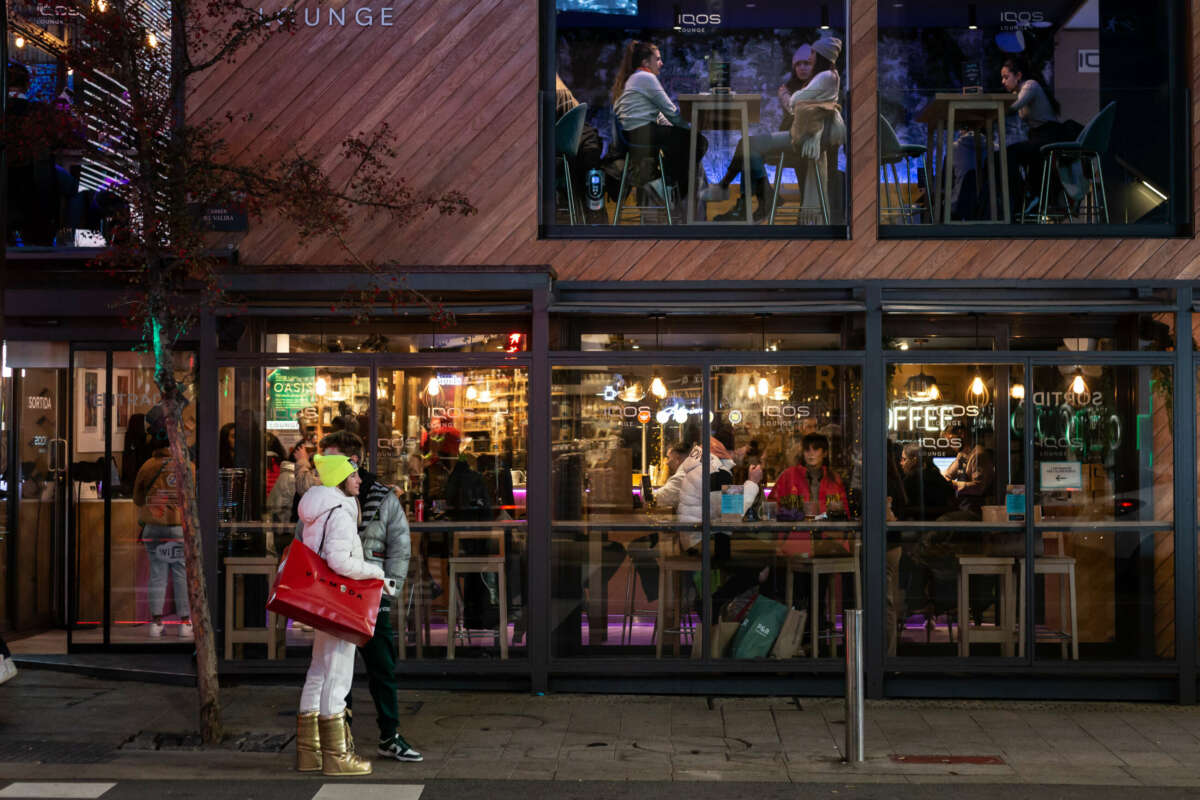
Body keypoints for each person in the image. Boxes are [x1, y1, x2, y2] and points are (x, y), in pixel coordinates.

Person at [295, 430, 422, 763]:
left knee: (379, 665)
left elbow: (400, 545)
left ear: (354, 462)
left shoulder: (380, 497)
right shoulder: (326, 500)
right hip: (337, 595)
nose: (323, 466)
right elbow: (311, 548)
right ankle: (338, 743)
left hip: (370, 596)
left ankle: (388, 734)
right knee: (336, 671)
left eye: (333, 459)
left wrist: (388, 586)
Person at [296, 453, 385, 776]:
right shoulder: (341, 513)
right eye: (353, 476)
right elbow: (339, 561)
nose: (359, 480)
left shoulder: (317, 510)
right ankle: (337, 757)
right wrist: (375, 572)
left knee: (318, 669)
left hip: (320, 599)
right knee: (337, 673)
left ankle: (310, 752)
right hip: (338, 600)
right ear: (339, 481)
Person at [700, 37, 845, 222]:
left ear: (820, 58)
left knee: (748, 147)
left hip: (804, 142)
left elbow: (793, 105)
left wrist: (790, 97)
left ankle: (748, 198)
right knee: (748, 150)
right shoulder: (812, 82)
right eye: (798, 64)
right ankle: (751, 200)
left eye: (808, 62)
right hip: (798, 137)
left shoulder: (822, 79)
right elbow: (794, 108)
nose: (803, 67)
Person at [611, 39, 707, 212]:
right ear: (645, 62)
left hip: (633, 133)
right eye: (658, 59)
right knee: (699, 142)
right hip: (641, 132)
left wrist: (681, 129)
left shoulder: (635, 78)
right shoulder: (645, 77)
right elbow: (670, 111)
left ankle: (672, 188)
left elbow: (660, 115)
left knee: (683, 146)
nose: (661, 63)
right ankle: (666, 186)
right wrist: (689, 129)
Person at [132, 413, 192, 640]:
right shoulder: (187, 465)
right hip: (178, 527)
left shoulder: (148, 466)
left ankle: (156, 623)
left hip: (153, 528)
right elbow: (194, 497)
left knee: (157, 573)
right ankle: (184, 623)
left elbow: (137, 499)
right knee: (180, 573)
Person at [1000, 57, 1076, 218]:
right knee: (1011, 153)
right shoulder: (1018, 91)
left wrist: (993, 110)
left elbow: (1014, 108)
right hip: (1037, 136)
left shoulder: (1030, 86)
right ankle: (1027, 195)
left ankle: (1023, 197)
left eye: (1006, 77)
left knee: (1010, 153)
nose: (1003, 81)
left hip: (1049, 136)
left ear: (1018, 75)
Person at [556, 73, 607, 224]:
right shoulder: (559, 88)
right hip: (577, 141)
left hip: (566, 142)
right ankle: (594, 211)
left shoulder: (554, 86)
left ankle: (593, 208)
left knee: (588, 152)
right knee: (589, 150)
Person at [768, 432, 848, 520]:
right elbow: (771, 507)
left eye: (816, 449)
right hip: (796, 531)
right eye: (807, 450)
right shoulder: (788, 476)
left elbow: (845, 513)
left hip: (828, 532)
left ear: (825, 453)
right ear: (803, 453)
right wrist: (786, 516)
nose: (811, 453)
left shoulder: (834, 479)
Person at [899, 443, 955, 520]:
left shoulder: (909, 481)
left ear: (914, 460)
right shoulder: (937, 476)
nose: (901, 463)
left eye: (904, 459)